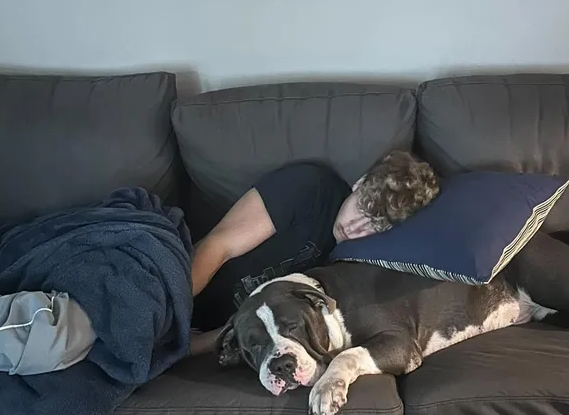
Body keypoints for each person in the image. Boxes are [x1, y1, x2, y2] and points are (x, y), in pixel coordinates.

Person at [189, 150, 440, 352]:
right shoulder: (310, 187)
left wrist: (183, 350)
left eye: (374, 224)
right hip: (185, 284)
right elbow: (218, 246)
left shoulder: (356, 265)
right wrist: (173, 313)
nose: (354, 227)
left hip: (218, 332)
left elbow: (257, 330)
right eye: (362, 207)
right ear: (360, 183)